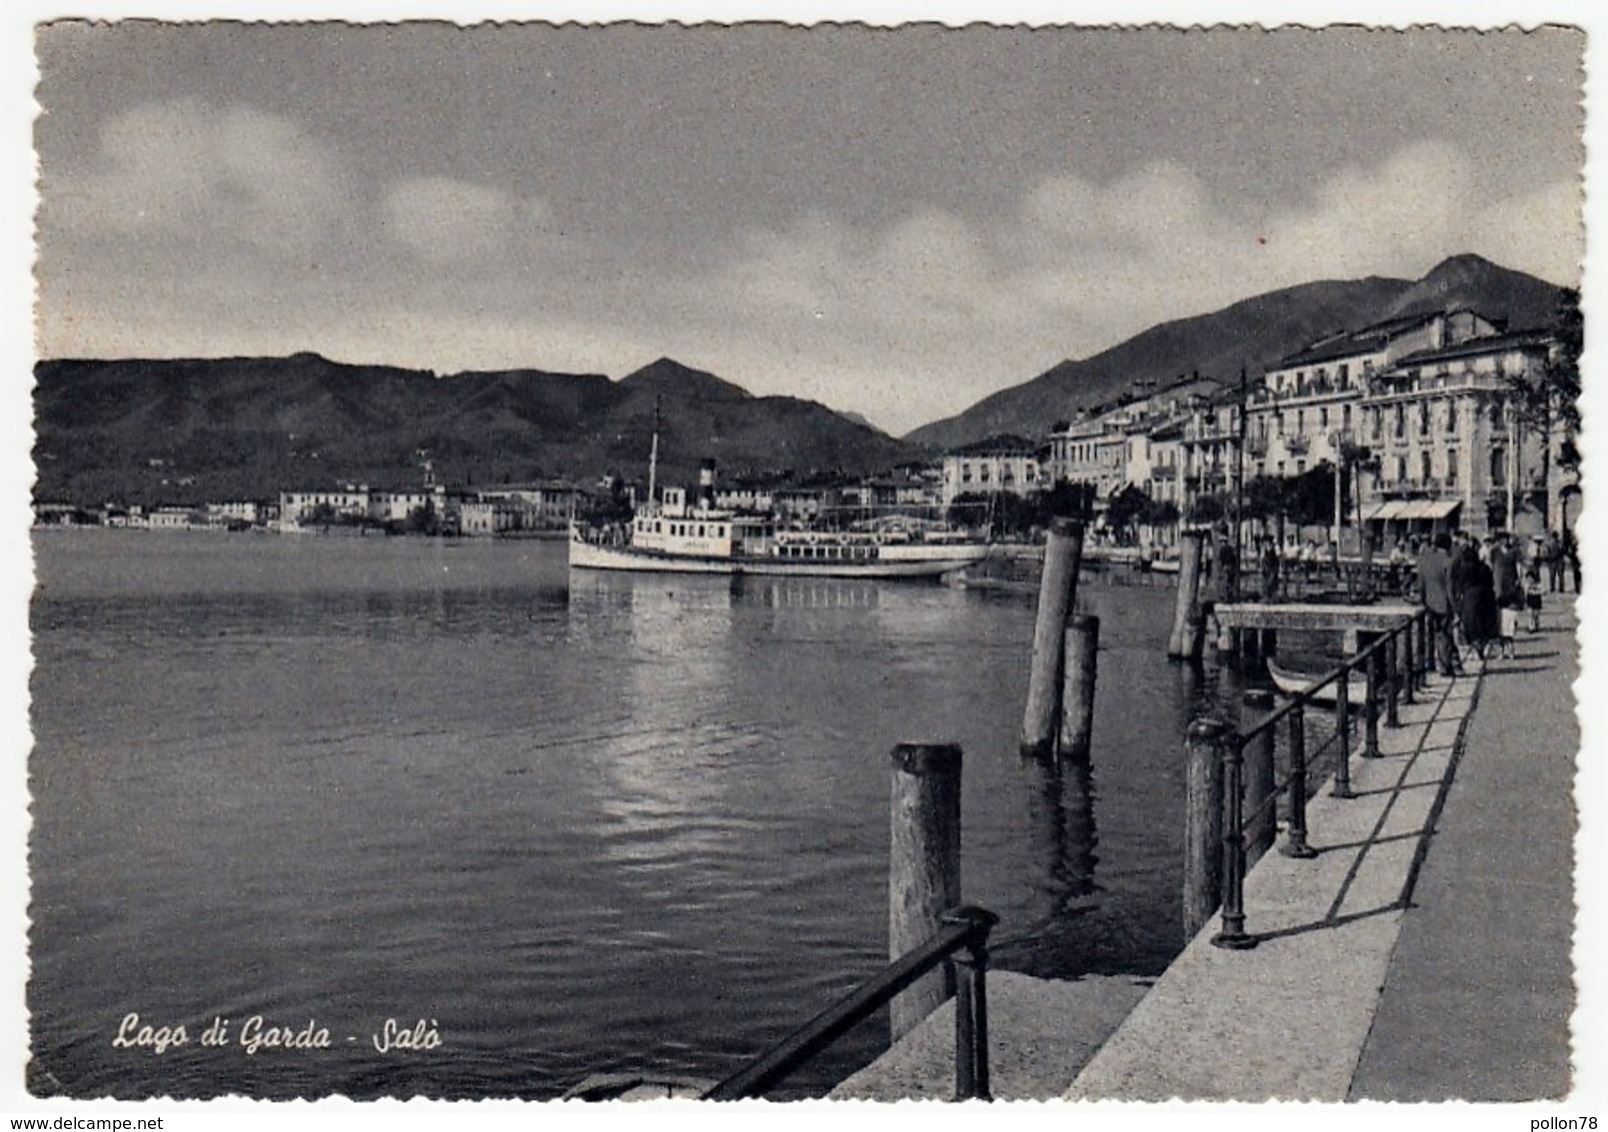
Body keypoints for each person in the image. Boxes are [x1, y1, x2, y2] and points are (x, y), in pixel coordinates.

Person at [1416, 532, 1459, 676]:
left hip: (1429, 603)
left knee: (1429, 635)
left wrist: (1422, 600)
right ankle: (1444, 666)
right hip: (1444, 604)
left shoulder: (1424, 560)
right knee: (1445, 635)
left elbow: (1420, 584)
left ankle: (1429, 663)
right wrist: (1456, 608)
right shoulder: (1448, 561)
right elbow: (1450, 588)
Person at [1455, 539, 1499, 662]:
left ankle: (1476, 648)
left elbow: (1459, 586)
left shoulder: (1462, 570)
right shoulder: (1484, 567)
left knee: (1472, 626)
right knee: (1485, 625)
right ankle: (1482, 647)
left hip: (1470, 599)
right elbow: (1491, 582)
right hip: (1486, 597)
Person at [1525, 556, 1545, 633]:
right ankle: (1531, 626)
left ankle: (1536, 625)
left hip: (1536, 597)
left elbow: (1543, 589)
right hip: (1531, 597)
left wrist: (1541, 590)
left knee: (1536, 613)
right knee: (1530, 613)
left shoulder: (1539, 577)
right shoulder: (1530, 571)